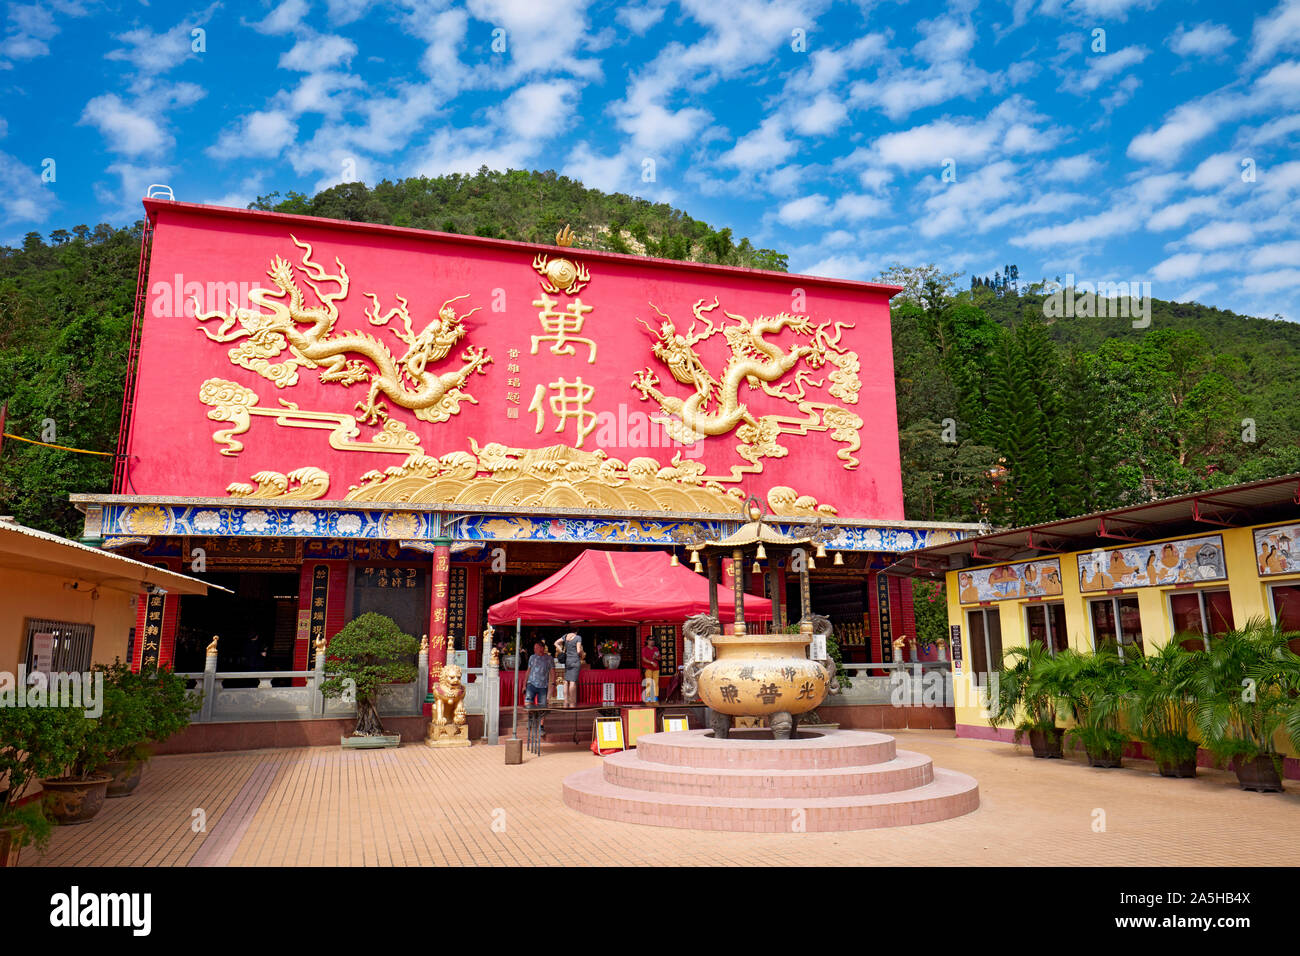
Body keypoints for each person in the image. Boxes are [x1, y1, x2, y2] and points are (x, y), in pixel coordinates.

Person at [554, 627, 584, 709]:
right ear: (577, 631)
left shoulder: (565, 636)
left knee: (566, 681)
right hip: (575, 661)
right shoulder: (578, 637)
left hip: (567, 661)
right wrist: (581, 652)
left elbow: (556, 643)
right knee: (573, 682)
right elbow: (578, 651)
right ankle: (572, 701)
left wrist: (562, 651)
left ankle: (565, 701)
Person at [524, 641, 551, 708]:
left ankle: (540, 718)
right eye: (534, 648)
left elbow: (552, 673)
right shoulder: (532, 657)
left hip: (543, 685)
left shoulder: (549, 658)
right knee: (528, 704)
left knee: (542, 706)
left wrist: (552, 686)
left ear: (542, 648)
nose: (534, 650)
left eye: (536, 648)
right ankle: (531, 718)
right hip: (531, 684)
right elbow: (528, 671)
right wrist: (524, 685)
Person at [641, 636, 660, 703]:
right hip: (648, 668)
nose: (652, 641)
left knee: (656, 683)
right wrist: (651, 662)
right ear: (647, 641)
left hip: (656, 668)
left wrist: (656, 658)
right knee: (649, 682)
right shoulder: (644, 649)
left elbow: (659, 658)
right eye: (650, 640)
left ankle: (655, 696)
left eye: (653, 640)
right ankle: (648, 697)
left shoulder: (656, 649)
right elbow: (644, 659)